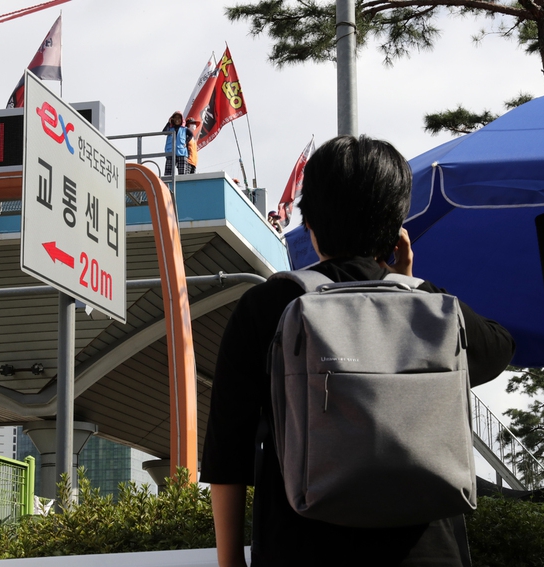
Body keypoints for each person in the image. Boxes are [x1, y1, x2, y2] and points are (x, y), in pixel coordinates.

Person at [200, 135, 516, 567]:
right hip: (426, 552)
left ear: (309, 223)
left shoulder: (267, 306)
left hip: (299, 549)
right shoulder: (432, 307)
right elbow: (499, 348)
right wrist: (407, 289)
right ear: (396, 228)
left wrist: (231, 562)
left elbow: (227, 451)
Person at [163, 111, 189, 176]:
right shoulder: (170, 128)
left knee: (182, 173)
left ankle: (183, 185)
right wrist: (168, 123)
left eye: (179, 118)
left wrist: (186, 142)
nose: (177, 119)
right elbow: (164, 132)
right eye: (175, 118)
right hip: (171, 152)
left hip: (181, 152)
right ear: (172, 119)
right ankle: (167, 185)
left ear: (181, 119)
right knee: (168, 173)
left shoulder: (184, 129)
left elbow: (191, 135)